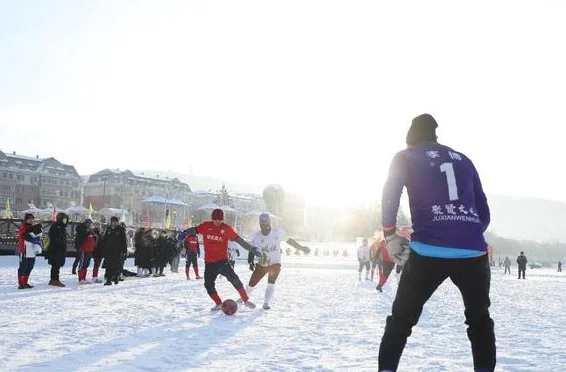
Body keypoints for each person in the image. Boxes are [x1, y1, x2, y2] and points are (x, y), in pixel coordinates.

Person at [377, 114, 495, 372]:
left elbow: (391, 192)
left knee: (400, 321)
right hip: (472, 252)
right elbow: (483, 212)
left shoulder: (406, 156)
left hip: (428, 250)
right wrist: (464, 231)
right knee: (479, 321)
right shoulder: (464, 159)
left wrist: (389, 233)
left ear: (411, 138)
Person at [184, 208, 260, 310]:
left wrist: (251, 249)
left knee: (234, 279)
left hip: (222, 261)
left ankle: (245, 300)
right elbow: (194, 230)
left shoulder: (227, 229)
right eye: (215, 219)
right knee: (208, 285)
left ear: (223, 219)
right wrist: (184, 233)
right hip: (209, 263)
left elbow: (240, 241)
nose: (217, 222)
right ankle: (219, 303)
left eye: (220, 220)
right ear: (212, 219)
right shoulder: (206, 226)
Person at [245, 213, 310, 310]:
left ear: (269, 223)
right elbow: (252, 249)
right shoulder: (257, 236)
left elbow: (290, 240)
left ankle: (266, 303)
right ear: (259, 224)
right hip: (263, 262)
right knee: (252, 283)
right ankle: (244, 298)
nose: (264, 226)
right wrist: (250, 261)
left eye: (266, 223)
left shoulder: (277, 232)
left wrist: (301, 247)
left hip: (275, 262)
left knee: (271, 283)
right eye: (262, 224)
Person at [100, 216, 127, 285]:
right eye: (112, 222)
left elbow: (124, 241)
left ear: (117, 222)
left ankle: (116, 277)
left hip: (117, 251)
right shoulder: (108, 229)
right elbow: (105, 239)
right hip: (109, 250)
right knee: (108, 265)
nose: (114, 223)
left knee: (116, 265)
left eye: (115, 222)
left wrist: (124, 251)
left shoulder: (121, 229)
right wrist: (103, 248)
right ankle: (108, 280)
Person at [17, 213, 41, 289]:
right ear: (26, 219)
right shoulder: (23, 227)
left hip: (32, 251)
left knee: (30, 266)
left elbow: (36, 236)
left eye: (32, 219)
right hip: (24, 250)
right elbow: (25, 236)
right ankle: (21, 283)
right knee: (23, 267)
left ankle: (25, 282)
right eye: (29, 219)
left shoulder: (33, 227)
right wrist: (33, 240)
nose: (31, 220)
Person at [46, 212, 69, 287]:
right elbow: (53, 237)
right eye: (64, 219)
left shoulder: (62, 227)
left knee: (57, 265)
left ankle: (54, 279)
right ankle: (54, 280)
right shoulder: (55, 226)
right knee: (55, 265)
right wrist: (60, 244)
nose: (65, 221)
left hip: (60, 249)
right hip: (55, 249)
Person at [74, 218, 96, 284]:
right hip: (83, 249)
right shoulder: (82, 229)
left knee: (86, 264)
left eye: (90, 223)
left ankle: (84, 278)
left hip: (89, 250)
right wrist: (88, 231)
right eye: (88, 223)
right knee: (82, 264)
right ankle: (81, 279)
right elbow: (81, 232)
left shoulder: (91, 231)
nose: (89, 225)